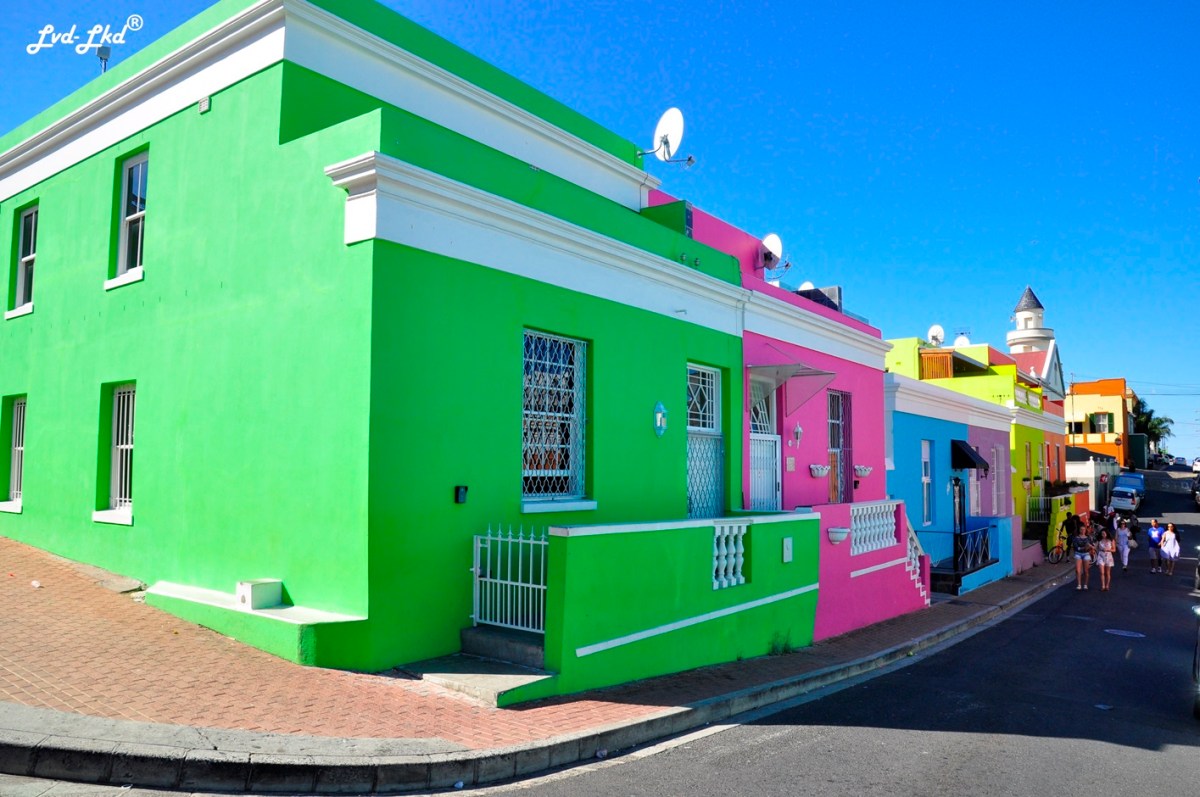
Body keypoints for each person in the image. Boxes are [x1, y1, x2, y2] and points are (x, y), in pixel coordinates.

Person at [1072, 523, 1096, 590]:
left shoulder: (1088, 537)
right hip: (1078, 554)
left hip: (1086, 554)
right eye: (1081, 529)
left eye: (1084, 529)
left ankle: (1085, 584)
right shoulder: (1076, 538)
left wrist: (1091, 547)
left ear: (1085, 530)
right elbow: (1076, 547)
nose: (1082, 531)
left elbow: (1092, 545)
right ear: (1079, 530)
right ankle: (1079, 584)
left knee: (1086, 571)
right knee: (1078, 570)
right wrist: (1085, 547)